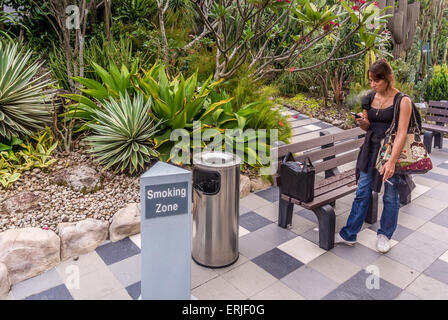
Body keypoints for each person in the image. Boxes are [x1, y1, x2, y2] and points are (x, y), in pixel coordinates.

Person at [335, 59, 415, 253]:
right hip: (370, 149)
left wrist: (392, 161)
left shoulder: (402, 101)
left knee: (390, 197)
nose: (372, 85)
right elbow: (368, 126)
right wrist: (362, 122)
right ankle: (349, 233)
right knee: (362, 192)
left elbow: (402, 132)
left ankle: (385, 235)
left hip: (389, 152)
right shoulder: (370, 98)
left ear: (387, 78)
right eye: (370, 80)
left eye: (376, 81)